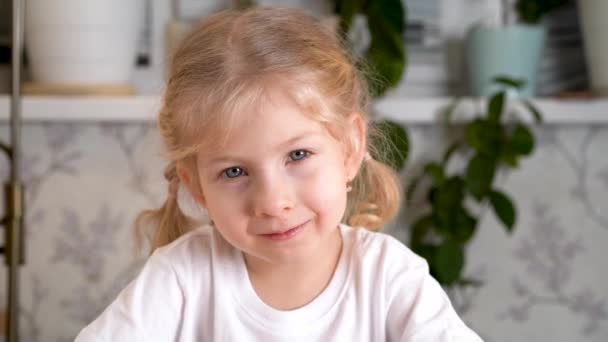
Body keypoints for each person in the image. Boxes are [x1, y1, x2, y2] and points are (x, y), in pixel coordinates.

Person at [75, 7, 483, 342]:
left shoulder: (389, 278)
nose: (273, 202)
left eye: (298, 155)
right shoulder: (181, 277)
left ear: (350, 148)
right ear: (196, 185)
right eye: (234, 171)